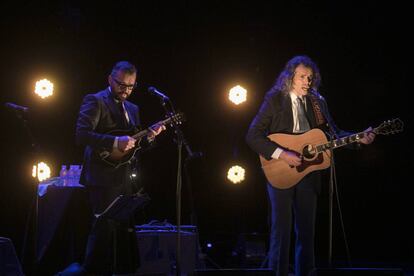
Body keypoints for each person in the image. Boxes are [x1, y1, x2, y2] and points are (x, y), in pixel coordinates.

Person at [245, 55, 375, 276]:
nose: (308, 82)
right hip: (280, 171)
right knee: (282, 232)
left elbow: (332, 134)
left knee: (306, 232)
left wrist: (357, 138)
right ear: (290, 78)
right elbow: (253, 135)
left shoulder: (318, 102)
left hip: (309, 172)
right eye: (302, 77)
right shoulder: (275, 100)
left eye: (310, 78)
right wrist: (282, 153)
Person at [75, 61, 165, 274]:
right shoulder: (96, 101)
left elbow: (133, 148)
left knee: (123, 231)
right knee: (103, 231)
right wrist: (114, 142)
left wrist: (150, 137)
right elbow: (82, 135)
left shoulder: (133, 109)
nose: (126, 90)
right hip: (101, 177)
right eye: (121, 84)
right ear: (110, 79)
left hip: (124, 177)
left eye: (131, 86)